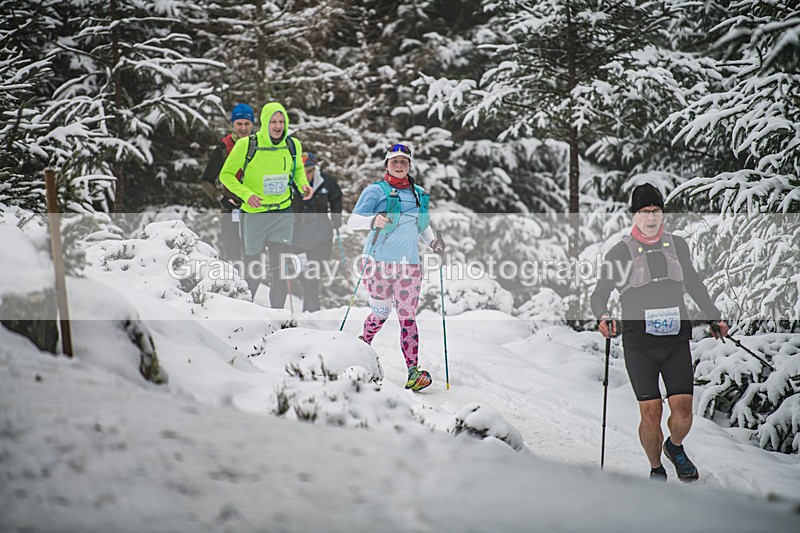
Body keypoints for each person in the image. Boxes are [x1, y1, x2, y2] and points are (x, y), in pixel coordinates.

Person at [590, 183, 729, 482]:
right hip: (640, 346)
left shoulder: (677, 245)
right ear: (635, 215)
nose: (651, 217)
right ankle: (656, 468)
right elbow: (599, 294)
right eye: (644, 211)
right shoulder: (620, 253)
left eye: (655, 211)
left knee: (683, 414)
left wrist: (713, 317)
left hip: (675, 341)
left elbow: (693, 284)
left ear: (662, 213)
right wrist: (602, 316)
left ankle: (674, 446)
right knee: (651, 414)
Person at [347, 143, 445, 392]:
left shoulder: (418, 193)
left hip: (409, 266)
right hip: (377, 262)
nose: (399, 165)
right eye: (394, 161)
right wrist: (373, 219)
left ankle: (413, 371)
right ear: (387, 165)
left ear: (409, 165)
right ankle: (361, 347)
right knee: (380, 313)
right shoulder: (375, 191)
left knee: (407, 316)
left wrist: (433, 241)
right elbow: (352, 221)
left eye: (403, 161)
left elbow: (422, 226)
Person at [219, 102, 312, 307]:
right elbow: (225, 175)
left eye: (281, 121)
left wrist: (303, 185)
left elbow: (297, 171)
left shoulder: (292, 144)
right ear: (265, 123)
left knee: (280, 272)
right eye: (273, 122)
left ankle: (278, 320)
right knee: (254, 273)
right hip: (255, 215)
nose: (278, 126)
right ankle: (245, 315)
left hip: (283, 214)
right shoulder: (247, 144)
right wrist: (246, 194)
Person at [200, 103, 255, 262]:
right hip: (231, 209)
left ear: (252, 124)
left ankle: (251, 286)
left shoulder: (259, 145)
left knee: (254, 260)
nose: (243, 128)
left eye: (247, 124)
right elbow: (206, 181)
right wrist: (221, 198)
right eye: (239, 124)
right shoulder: (224, 148)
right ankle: (234, 286)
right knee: (234, 257)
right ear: (233, 124)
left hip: (255, 210)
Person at [291, 152, 344, 312]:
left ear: (314, 169)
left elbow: (336, 198)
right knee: (303, 274)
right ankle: (310, 309)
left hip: (322, 235)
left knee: (314, 274)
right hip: (297, 235)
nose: (306, 175)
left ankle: (312, 311)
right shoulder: (291, 182)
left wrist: (336, 217)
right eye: (302, 171)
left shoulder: (325, 181)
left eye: (309, 170)